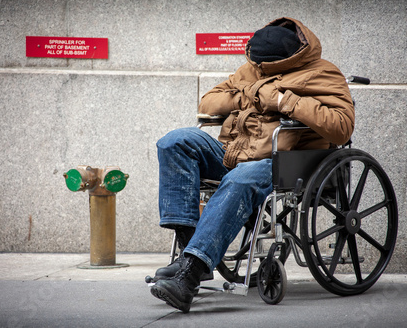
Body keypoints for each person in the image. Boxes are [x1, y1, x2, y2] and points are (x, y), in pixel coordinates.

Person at [149, 17, 354, 313]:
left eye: (267, 66)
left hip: (287, 161)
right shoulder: (251, 69)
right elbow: (207, 103)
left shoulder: (323, 73)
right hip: (236, 152)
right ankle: (188, 254)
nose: (258, 69)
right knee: (174, 142)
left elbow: (342, 126)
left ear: (288, 58)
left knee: (242, 177)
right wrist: (247, 96)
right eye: (257, 64)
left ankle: (188, 276)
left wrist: (284, 100)